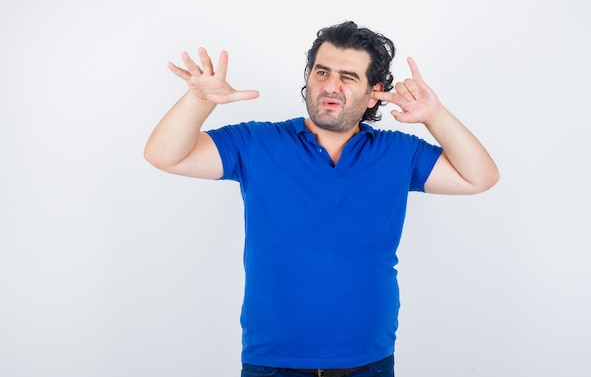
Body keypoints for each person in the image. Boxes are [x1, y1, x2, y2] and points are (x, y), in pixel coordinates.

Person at [144, 20, 499, 377]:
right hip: (273, 362)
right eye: (322, 72)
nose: (331, 86)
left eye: (348, 77)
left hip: (368, 361)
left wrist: (434, 116)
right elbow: (165, 155)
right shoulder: (257, 143)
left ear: (374, 91)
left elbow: (479, 177)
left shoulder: (397, 153)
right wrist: (197, 100)